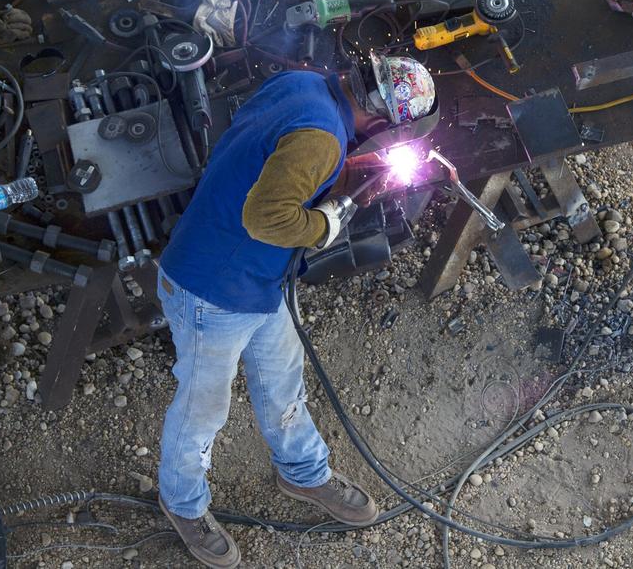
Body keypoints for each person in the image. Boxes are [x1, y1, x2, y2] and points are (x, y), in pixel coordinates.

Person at [154, 54, 436, 568]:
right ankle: (183, 504)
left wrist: (338, 174)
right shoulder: (321, 140)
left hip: (260, 283)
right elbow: (266, 217)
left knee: (282, 380)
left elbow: (274, 151)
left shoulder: (303, 82)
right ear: (379, 119)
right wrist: (325, 224)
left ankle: (303, 474)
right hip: (212, 289)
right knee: (203, 410)